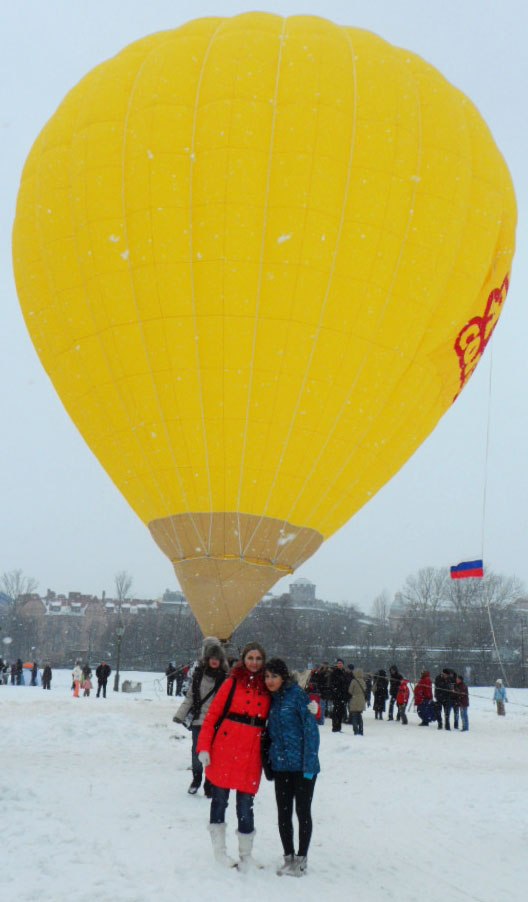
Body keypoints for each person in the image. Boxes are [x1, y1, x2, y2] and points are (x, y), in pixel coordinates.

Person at [197, 642, 271, 870]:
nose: (254, 662)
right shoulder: (231, 682)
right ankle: (220, 852)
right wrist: (204, 747)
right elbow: (213, 715)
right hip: (226, 747)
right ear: (243, 658)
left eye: (258, 658)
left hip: (251, 750)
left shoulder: (267, 686)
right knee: (219, 799)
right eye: (251, 657)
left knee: (246, 803)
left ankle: (246, 855)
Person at [264, 658, 320, 878]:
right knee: (283, 813)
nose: (270, 681)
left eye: (274, 676)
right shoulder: (272, 699)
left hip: (303, 766)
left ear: (283, 677)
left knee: (302, 812)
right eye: (267, 676)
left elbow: (311, 732)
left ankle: (302, 858)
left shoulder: (297, 696)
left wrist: (308, 766)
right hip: (281, 766)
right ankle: (288, 857)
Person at [173, 638, 229, 795]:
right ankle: (196, 779)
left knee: (214, 753)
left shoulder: (225, 679)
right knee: (197, 751)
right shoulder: (198, 676)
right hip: (198, 720)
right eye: (212, 658)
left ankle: (209, 783)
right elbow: (190, 697)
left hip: (216, 722)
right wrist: (180, 715)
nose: (214, 661)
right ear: (207, 659)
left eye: (217, 659)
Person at [329, 659, 350, 732]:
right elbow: (332, 684)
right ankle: (335, 727)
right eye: (338, 663)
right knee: (336, 712)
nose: (340, 664)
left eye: (341, 663)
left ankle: (339, 727)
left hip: (343, 696)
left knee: (341, 712)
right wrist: (335, 690)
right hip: (337, 695)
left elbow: (346, 683)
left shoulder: (344, 672)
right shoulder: (334, 672)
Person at [348, 667, 367, 735]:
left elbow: (350, 691)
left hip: (355, 699)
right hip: (362, 700)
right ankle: (361, 730)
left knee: (354, 716)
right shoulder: (363, 681)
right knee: (359, 715)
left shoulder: (354, 681)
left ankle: (355, 730)